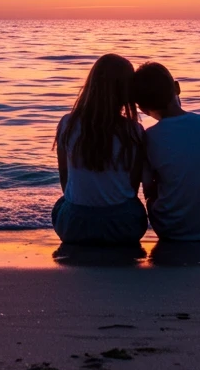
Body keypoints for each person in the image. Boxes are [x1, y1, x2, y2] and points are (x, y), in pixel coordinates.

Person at [51, 53, 148, 245]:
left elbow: (65, 178)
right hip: (123, 228)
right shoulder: (134, 131)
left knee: (62, 205)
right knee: (133, 206)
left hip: (74, 227)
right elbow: (132, 188)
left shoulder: (67, 124)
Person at [131, 61, 200, 241]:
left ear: (142, 109)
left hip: (169, 229)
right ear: (177, 87)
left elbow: (147, 186)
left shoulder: (149, 137)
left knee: (152, 190)